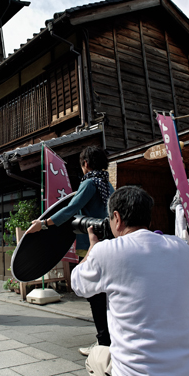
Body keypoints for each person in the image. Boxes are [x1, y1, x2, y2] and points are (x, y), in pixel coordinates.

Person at [71, 186, 189, 376]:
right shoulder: (182, 250)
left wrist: (94, 248)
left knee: (95, 357)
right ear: (149, 218)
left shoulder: (107, 251)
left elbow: (78, 284)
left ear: (116, 218)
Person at [26, 145, 114, 355]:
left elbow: (71, 208)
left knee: (95, 293)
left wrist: (45, 223)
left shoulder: (90, 182)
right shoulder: (107, 184)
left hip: (92, 242)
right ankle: (111, 340)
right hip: (110, 242)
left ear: (85, 164)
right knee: (108, 294)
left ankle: (103, 344)